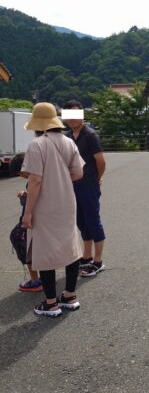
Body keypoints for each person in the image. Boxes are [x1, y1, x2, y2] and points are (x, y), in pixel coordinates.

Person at [21, 102, 85, 317]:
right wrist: (60, 178)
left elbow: (35, 180)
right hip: (67, 202)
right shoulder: (69, 142)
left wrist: (28, 213)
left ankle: (51, 303)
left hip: (45, 206)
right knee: (70, 248)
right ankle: (69, 296)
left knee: (44, 251)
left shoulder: (37, 144)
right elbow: (78, 173)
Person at [63, 100, 106, 277]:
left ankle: (98, 261)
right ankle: (87, 256)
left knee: (93, 220)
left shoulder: (90, 135)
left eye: (75, 114)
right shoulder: (66, 136)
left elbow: (101, 161)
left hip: (88, 185)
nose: (72, 119)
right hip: (72, 186)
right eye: (68, 115)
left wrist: (96, 179)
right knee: (81, 222)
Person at [9, 153, 42, 291]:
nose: (20, 175)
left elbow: (36, 201)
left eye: (20, 172)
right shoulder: (42, 175)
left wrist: (25, 198)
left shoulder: (35, 179)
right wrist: (26, 194)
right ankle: (46, 278)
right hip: (44, 220)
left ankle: (35, 281)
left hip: (34, 221)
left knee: (22, 243)